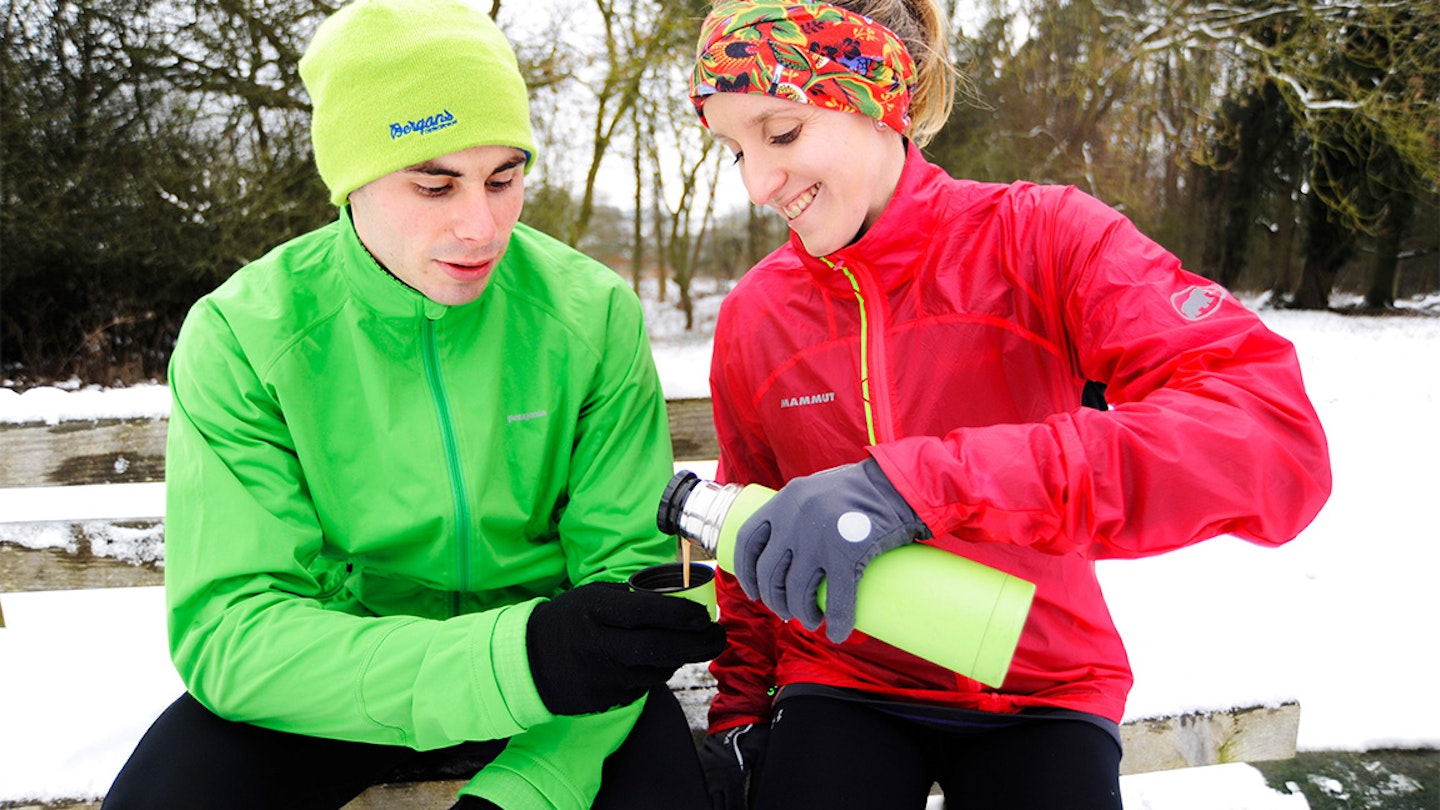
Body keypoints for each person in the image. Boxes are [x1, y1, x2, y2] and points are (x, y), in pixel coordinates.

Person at [685, 2, 1332, 808]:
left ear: (881, 98)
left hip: (1043, 682)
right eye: (734, 148)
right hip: (846, 675)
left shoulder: (1044, 238)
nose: (757, 183)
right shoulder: (758, 313)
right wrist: (739, 717)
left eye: (780, 134)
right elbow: (757, 537)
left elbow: (1271, 439)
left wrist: (916, 486)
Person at [101, 1, 726, 808]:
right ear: (353, 180)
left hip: (567, 691)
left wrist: (534, 781)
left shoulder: (589, 313)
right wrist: (509, 659)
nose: (481, 225)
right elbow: (233, 632)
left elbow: (630, 584)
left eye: (505, 178)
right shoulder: (244, 334)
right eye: (435, 183)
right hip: (338, 685)